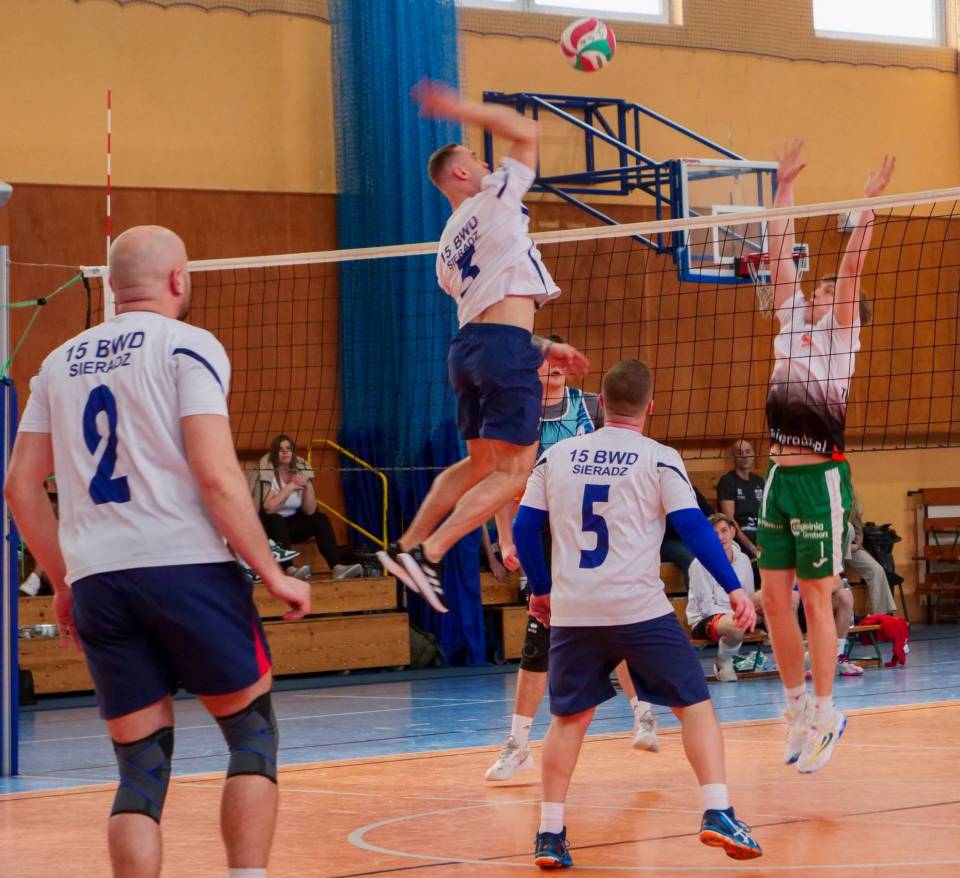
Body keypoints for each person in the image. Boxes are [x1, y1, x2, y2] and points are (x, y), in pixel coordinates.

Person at [4, 225, 310, 878]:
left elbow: (18, 486)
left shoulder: (56, 364)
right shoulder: (188, 345)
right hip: (186, 568)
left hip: (100, 583)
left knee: (140, 772)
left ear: (114, 285)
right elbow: (217, 475)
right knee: (251, 734)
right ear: (178, 279)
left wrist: (64, 581)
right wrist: (272, 571)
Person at [513, 359, 761, 867]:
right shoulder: (659, 458)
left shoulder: (556, 456)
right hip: (639, 610)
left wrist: (541, 590)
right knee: (695, 707)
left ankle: (550, 833)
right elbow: (693, 528)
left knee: (567, 721)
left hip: (575, 611)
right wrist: (734, 586)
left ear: (601, 404)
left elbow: (522, 529)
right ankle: (717, 809)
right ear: (650, 408)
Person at [376, 80, 588, 614]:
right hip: (502, 349)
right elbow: (527, 130)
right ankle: (430, 553)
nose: (485, 162)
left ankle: (404, 546)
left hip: (468, 351)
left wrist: (542, 347)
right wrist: (458, 108)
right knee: (513, 472)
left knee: (477, 464)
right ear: (462, 174)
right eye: (475, 156)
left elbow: (491, 308)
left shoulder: (445, 247)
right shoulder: (494, 198)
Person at [759, 140, 895, 774]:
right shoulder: (792, 321)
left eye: (828, 291)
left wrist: (866, 208)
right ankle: (794, 709)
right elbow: (780, 256)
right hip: (778, 476)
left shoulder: (842, 334)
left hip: (821, 481)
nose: (816, 290)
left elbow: (851, 271)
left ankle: (825, 711)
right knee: (772, 598)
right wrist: (783, 189)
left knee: (817, 598)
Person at [485, 346, 658, 783]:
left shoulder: (591, 406)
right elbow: (504, 481)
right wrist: (506, 538)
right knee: (538, 637)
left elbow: (622, 459)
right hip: (540, 532)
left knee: (610, 621)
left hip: (586, 531)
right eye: (548, 361)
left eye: (561, 362)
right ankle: (518, 744)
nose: (557, 367)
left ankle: (643, 714)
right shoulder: (518, 414)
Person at [252, 434, 362, 581]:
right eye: (280, 449)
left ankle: (337, 567)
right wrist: (289, 487)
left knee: (320, 519)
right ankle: (290, 568)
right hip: (271, 528)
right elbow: (269, 509)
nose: (285, 452)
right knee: (277, 519)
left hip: (292, 526)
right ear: (274, 454)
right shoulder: (270, 473)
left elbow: (309, 511)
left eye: (288, 448)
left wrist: (307, 484)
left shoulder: (299, 471)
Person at [686, 513, 757, 682]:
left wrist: (747, 612)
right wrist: (740, 615)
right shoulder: (699, 563)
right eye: (714, 534)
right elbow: (706, 608)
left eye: (724, 530)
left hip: (737, 614)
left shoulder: (744, 559)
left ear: (733, 531)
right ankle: (724, 662)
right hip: (706, 619)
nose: (720, 537)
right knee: (737, 625)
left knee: (776, 600)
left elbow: (749, 595)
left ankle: (792, 657)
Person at [845, 495, 897, 615]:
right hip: (831, 548)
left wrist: (857, 543)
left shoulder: (852, 500)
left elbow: (858, 529)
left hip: (852, 547)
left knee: (876, 570)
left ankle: (880, 614)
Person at [716, 439, 764, 561]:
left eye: (748, 452)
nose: (744, 456)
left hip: (762, 537)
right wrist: (752, 548)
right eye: (740, 453)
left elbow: (769, 515)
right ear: (733, 457)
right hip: (740, 540)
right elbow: (729, 520)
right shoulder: (727, 482)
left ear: (753, 455)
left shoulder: (759, 482)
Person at [660, 484, 713, 586]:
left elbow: (709, 515)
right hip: (668, 541)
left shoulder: (689, 489)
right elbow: (668, 524)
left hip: (693, 540)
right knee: (692, 559)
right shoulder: (660, 491)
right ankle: (698, 596)